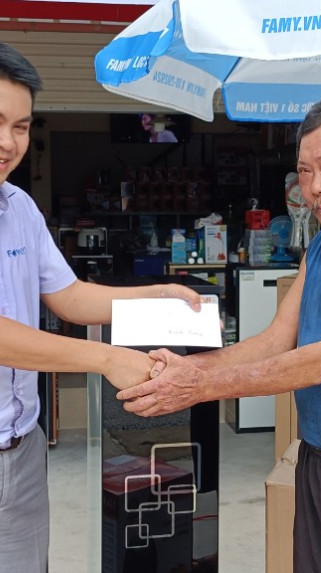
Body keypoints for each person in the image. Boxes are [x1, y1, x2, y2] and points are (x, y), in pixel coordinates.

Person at [118, 91, 321, 573]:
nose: (315, 188)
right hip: (320, 461)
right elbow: (274, 341)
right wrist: (187, 368)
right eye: (304, 171)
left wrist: (199, 386)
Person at [0, 42, 201, 573]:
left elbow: (69, 296)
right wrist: (108, 358)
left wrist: (156, 294)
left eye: (21, 127)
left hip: (21, 449)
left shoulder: (19, 208)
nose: (8, 142)